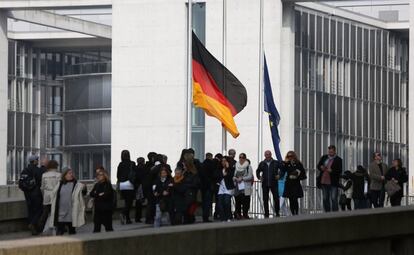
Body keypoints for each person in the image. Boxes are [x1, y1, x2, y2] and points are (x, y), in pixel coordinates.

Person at [50, 167, 87, 235]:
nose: (71, 174)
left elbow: (83, 193)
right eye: (69, 173)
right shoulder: (60, 184)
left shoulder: (77, 185)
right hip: (60, 213)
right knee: (59, 232)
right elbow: (53, 195)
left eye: (72, 173)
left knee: (72, 232)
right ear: (64, 175)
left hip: (71, 213)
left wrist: (84, 188)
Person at [19, 155, 44, 235]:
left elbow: (21, 184)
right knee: (39, 209)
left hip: (27, 194)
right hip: (36, 193)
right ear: (34, 161)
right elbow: (41, 179)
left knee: (30, 210)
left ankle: (34, 229)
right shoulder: (37, 170)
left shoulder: (24, 170)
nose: (38, 161)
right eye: (37, 160)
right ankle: (32, 224)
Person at [317, 145, 343, 212]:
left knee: (334, 198)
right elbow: (318, 166)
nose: (330, 153)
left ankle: (334, 213)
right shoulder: (324, 157)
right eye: (329, 151)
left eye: (331, 152)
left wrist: (332, 171)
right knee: (325, 198)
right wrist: (321, 167)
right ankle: (327, 213)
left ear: (334, 151)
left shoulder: (338, 159)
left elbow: (339, 170)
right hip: (324, 181)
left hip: (333, 182)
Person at [256, 150, 282, 217]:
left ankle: (277, 212)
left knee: (276, 198)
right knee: (265, 199)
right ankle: (266, 214)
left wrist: (279, 175)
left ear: (271, 155)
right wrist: (259, 177)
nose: (267, 156)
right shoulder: (262, 163)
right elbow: (258, 171)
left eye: (268, 154)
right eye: (266, 154)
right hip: (265, 184)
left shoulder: (276, 162)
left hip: (274, 183)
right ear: (265, 155)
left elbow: (282, 169)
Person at [38, 160, 61, 234]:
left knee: (45, 213)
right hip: (55, 195)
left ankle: (41, 228)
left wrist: (44, 195)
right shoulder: (59, 175)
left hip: (47, 195)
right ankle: (56, 227)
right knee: (56, 212)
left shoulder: (44, 175)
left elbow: (42, 187)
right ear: (56, 166)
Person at [281, 151, 306, 216]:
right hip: (288, 184)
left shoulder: (298, 164)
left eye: (291, 156)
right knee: (290, 200)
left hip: (296, 184)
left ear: (294, 156)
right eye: (288, 156)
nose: (290, 158)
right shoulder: (286, 164)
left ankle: (296, 213)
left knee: (295, 199)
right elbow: (282, 172)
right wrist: (284, 164)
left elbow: (303, 175)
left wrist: (296, 177)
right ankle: (293, 214)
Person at [116, 150, 136, 224]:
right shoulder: (132, 163)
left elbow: (118, 175)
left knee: (126, 202)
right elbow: (135, 174)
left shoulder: (120, 164)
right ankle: (123, 213)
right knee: (129, 202)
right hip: (130, 183)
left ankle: (128, 219)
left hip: (122, 184)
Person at [233, 153, 254, 219]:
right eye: (240, 157)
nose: (241, 159)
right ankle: (238, 214)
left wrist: (242, 178)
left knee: (246, 202)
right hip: (237, 187)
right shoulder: (236, 166)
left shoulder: (248, 167)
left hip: (245, 187)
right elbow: (233, 176)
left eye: (242, 157)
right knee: (238, 201)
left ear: (245, 158)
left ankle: (245, 214)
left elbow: (250, 176)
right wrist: (236, 179)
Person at [182, 153, 201, 224]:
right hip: (186, 193)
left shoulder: (193, 173)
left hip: (190, 193)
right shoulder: (185, 173)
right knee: (187, 211)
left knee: (188, 210)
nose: (183, 165)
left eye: (184, 164)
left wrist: (185, 185)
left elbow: (195, 184)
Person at [217, 157, 235, 222]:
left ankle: (228, 216)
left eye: (225, 161)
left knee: (226, 202)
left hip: (228, 188)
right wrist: (223, 175)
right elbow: (217, 176)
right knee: (220, 203)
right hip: (221, 188)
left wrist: (228, 168)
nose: (223, 162)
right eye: (222, 161)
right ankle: (223, 217)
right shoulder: (220, 169)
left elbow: (231, 176)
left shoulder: (231, 169)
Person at [200, 152, 216, 222]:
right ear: (211, 157)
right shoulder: (211, 164)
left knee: (204, 202)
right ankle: (206, 217)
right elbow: (213, 175)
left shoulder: (202, 164)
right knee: (208, 202)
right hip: (209, 186)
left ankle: (204, 216)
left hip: (203, 186)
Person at [134, 157, 147, 222]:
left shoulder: (135, 168)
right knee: (140, 202)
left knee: (137, 202)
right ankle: (138, 218)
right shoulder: (144, 168)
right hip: (142, 186)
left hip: (136, 186)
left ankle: (137, 217)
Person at [212, 153, 223, 220]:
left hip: (212, 184)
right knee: (218, 200)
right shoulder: (218, 165)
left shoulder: (211, 163)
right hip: (217, 184)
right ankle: (217, 214)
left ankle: (216, 214)